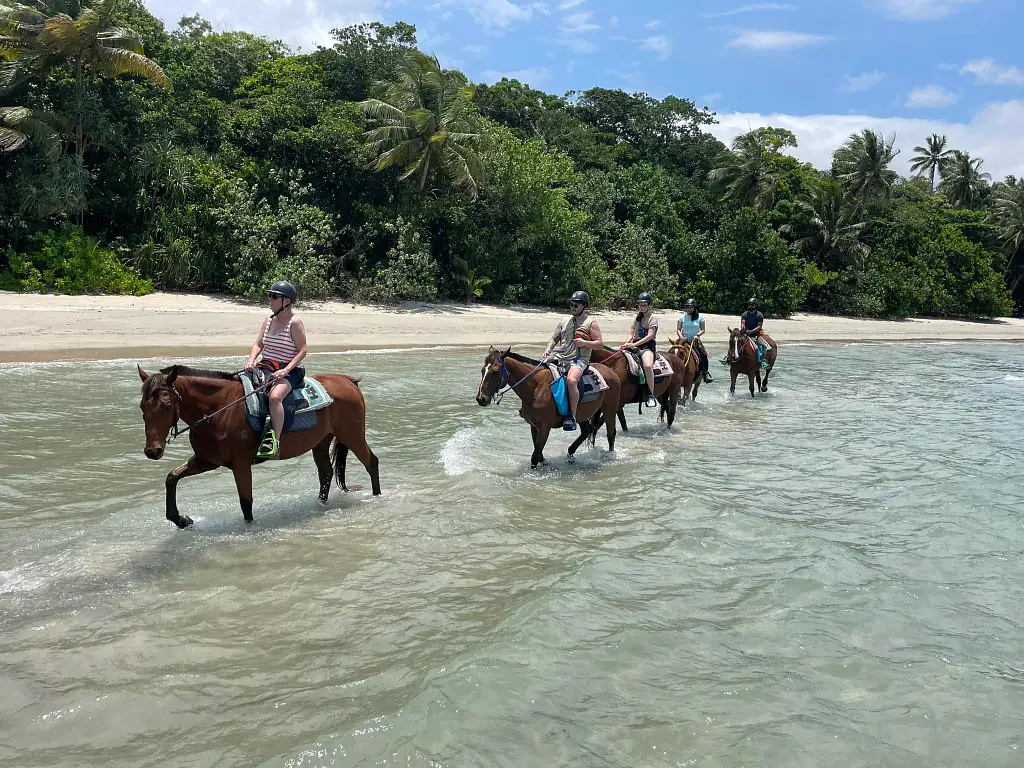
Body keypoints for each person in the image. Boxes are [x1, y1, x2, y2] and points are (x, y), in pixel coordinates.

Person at [245, 280, 308, 458]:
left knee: (274, 397)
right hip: (266, 366)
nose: (270, 300)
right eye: (269, 296)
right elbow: (258, 344)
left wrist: (285, 370)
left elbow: (302, 350)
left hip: (290, 370)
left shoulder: (295, 322)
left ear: (286, 301)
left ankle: (275, 440)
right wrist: (251, 360)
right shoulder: (269, 319)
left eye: (274, 297)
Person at [542, 290, 604, 432]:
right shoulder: (564, 321)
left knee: (571, 380)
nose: (573, 307)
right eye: (571, 304)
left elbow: (599, 344)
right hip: (560, 356)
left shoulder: (591, 323)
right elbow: (554, 339)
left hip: (580, 359)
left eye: (576, 305)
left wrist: (585, 343)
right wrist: (548, 349)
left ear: (584, 306)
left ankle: (572, 415)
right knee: (538, 367)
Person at [621, 292, 659, 409]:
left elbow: (650, 335)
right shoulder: (638, 317)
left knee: (647, 366)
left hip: (647, 346)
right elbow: (632, 331)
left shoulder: (653, 318)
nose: (642, 307)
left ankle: (651, 395)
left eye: (644, 305)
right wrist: (627, 342)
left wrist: (634, 344)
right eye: (640, 305)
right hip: (634, 344)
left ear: (649, 305)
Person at [676, 298, 713, 383]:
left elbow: (703, 329)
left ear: (694, 308)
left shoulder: (700, 318)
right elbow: (678, 329)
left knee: (703, 354)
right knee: (673, 351)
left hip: (695, 341)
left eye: (691, 307)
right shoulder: (681, 317)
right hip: (684, 341)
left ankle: (705, 373)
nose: (689, 309)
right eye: (688, 307)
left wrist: (697, 335)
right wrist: (681, 337)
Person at [739, 297, 769, 368]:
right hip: (745, 333)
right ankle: (728, 357)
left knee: (762, 345)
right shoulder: (744, 314)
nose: (750, 306)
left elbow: (759, 327)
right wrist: (743, 327)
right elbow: (743, 322)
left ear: (755, 305)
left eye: (752, 305)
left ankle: (763, 360)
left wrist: (751, 331)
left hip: (756, 334)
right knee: (735, 342)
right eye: (749, 305)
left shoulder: (759, 315)